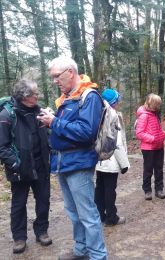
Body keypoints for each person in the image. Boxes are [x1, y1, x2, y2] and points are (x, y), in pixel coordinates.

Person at [37, 56, 107, 260]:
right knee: (73, 212)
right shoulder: (67, 98)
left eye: (57, 76)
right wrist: (51, 121)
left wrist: (55, 123)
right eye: (52, 78)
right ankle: (81, 250)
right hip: (62, 163)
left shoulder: (90, 95)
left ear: (71, 72)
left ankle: (98, 256)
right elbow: (67, 129)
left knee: (87, 214)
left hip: (79, 163)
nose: (55, 81)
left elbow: (86, 132)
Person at [0, 79, 51, 254]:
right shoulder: (7, 115)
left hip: (41, 165)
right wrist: (15, 163)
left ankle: (42, 231)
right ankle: (19, 237)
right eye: (35, 93)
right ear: (25, 96)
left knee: (44, 199)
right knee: (19, 203)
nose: (38, 96)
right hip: (20, 168)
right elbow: (2, 146)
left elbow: (49, 134)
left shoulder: (40, 111)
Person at [95, 89, 130, 227]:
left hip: (99, 159)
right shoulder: (113, 115)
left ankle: (99, 215)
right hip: (111, 159)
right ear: (114, 102)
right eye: (118, 100)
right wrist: (124, 164)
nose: (119, 102)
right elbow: (117, 143)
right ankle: (111, 217)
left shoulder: (98, 113)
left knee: (100, 188)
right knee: (110, 189)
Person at [136, 93, 165, 200]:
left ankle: (159, 189)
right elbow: (139, 133)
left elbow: (157, 128)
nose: (159, 106)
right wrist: (153, 138)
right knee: (148, 169)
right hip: (148, 148)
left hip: (159, 146)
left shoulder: (155, 114)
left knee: (159, 169)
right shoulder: (144, 115)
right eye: (157, 104)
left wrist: (162, 134)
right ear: (152, 103)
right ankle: (147, 190)